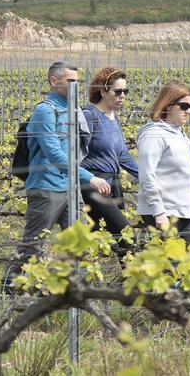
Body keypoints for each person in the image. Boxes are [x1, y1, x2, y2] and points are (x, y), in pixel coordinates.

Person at [5, 61, 110, 284]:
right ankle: (7, 287)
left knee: (79, 242)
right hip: (47, 187)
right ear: (54, 81)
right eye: (70, 81)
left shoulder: (73, 110)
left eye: (77, 82)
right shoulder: (44, 111)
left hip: (71, 188)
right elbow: (54, 154)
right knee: (33, 244)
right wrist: (89, 177)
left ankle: (79, 290)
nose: (75, 86)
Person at [136, 81, 190, 243]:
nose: (189, 111)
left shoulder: (179, 134)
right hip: (164, 213)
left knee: (188, 258)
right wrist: (158, 212)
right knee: (173, 259)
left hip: (182, 212)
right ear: (168, 105)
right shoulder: (154, 135)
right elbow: (147, 175)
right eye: (184, 106)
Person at [80, 67, 136, 251]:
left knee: (98, 243)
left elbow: (122, 154)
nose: (123, 96)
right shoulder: (90, 116)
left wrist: (146, 176)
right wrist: (89, 178)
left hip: (111, 186)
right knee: (127, 236)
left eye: (125, 91)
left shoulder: (113, 117)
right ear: (103, 91)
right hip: (93, 187)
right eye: (118, 91)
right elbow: (72, 154)